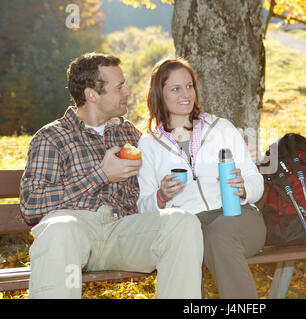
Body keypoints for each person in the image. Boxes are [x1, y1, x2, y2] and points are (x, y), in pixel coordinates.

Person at [19, 53, 203, 299]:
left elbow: (152, 186)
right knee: (59, 228)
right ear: (92, 95)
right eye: (119, 87)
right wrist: (101, 175)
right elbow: (31, 205)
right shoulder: (52, 137)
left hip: (123, 231)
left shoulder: (129, 133)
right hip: (75, 231)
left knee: (182, 222)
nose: (127, 91)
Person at [137, 57, 267, 299]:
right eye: (175, 89)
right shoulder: (149, 144)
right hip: (187, 224)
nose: (186, 94)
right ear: (159, 94)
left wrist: (244, 188)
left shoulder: (221, 128)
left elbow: (256, 180)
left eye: (189, 86)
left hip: (238, 216)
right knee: (188, 243)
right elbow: (143, 206)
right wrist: (161, 196)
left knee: (217, 237)